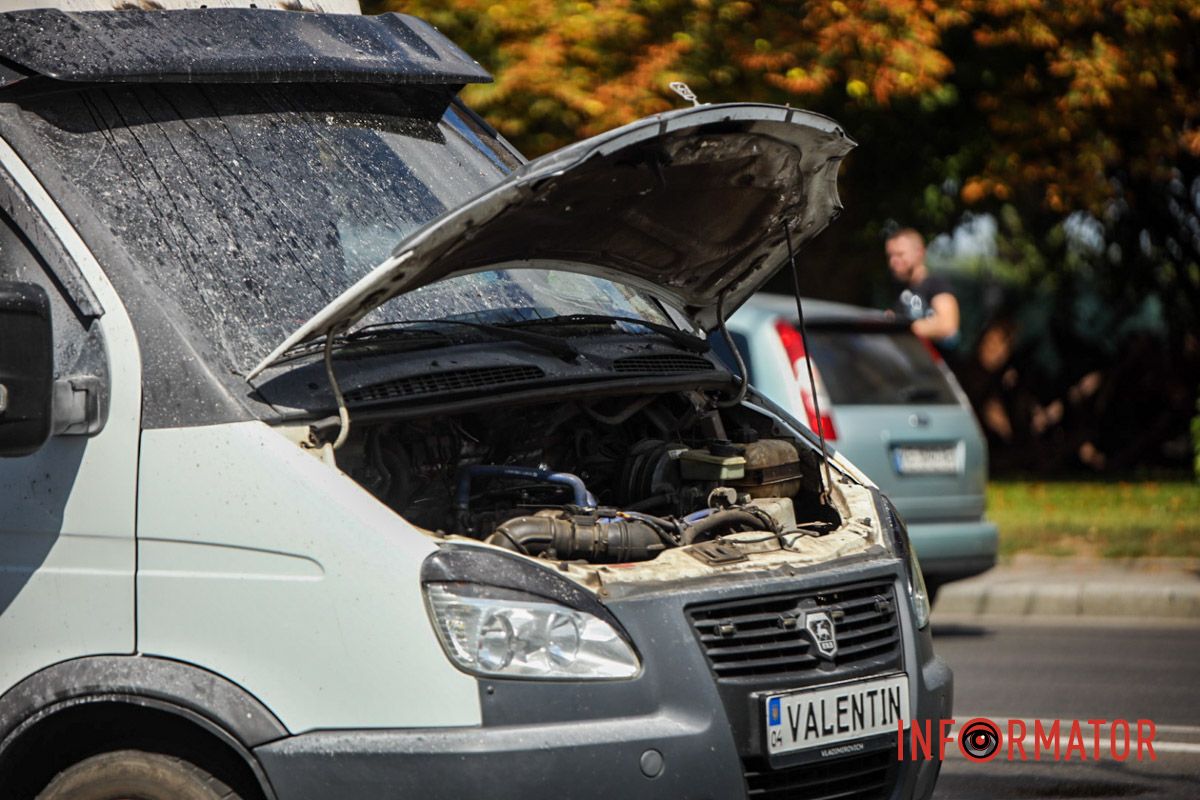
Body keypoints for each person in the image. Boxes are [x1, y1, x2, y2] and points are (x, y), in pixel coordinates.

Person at [885, 228, 960, 349]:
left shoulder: (936, 284)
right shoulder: (901, 290)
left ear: (919, 252)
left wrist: (903, 327)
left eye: (900, 254)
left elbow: (948, 325)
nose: (893, 261)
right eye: (890, 256)